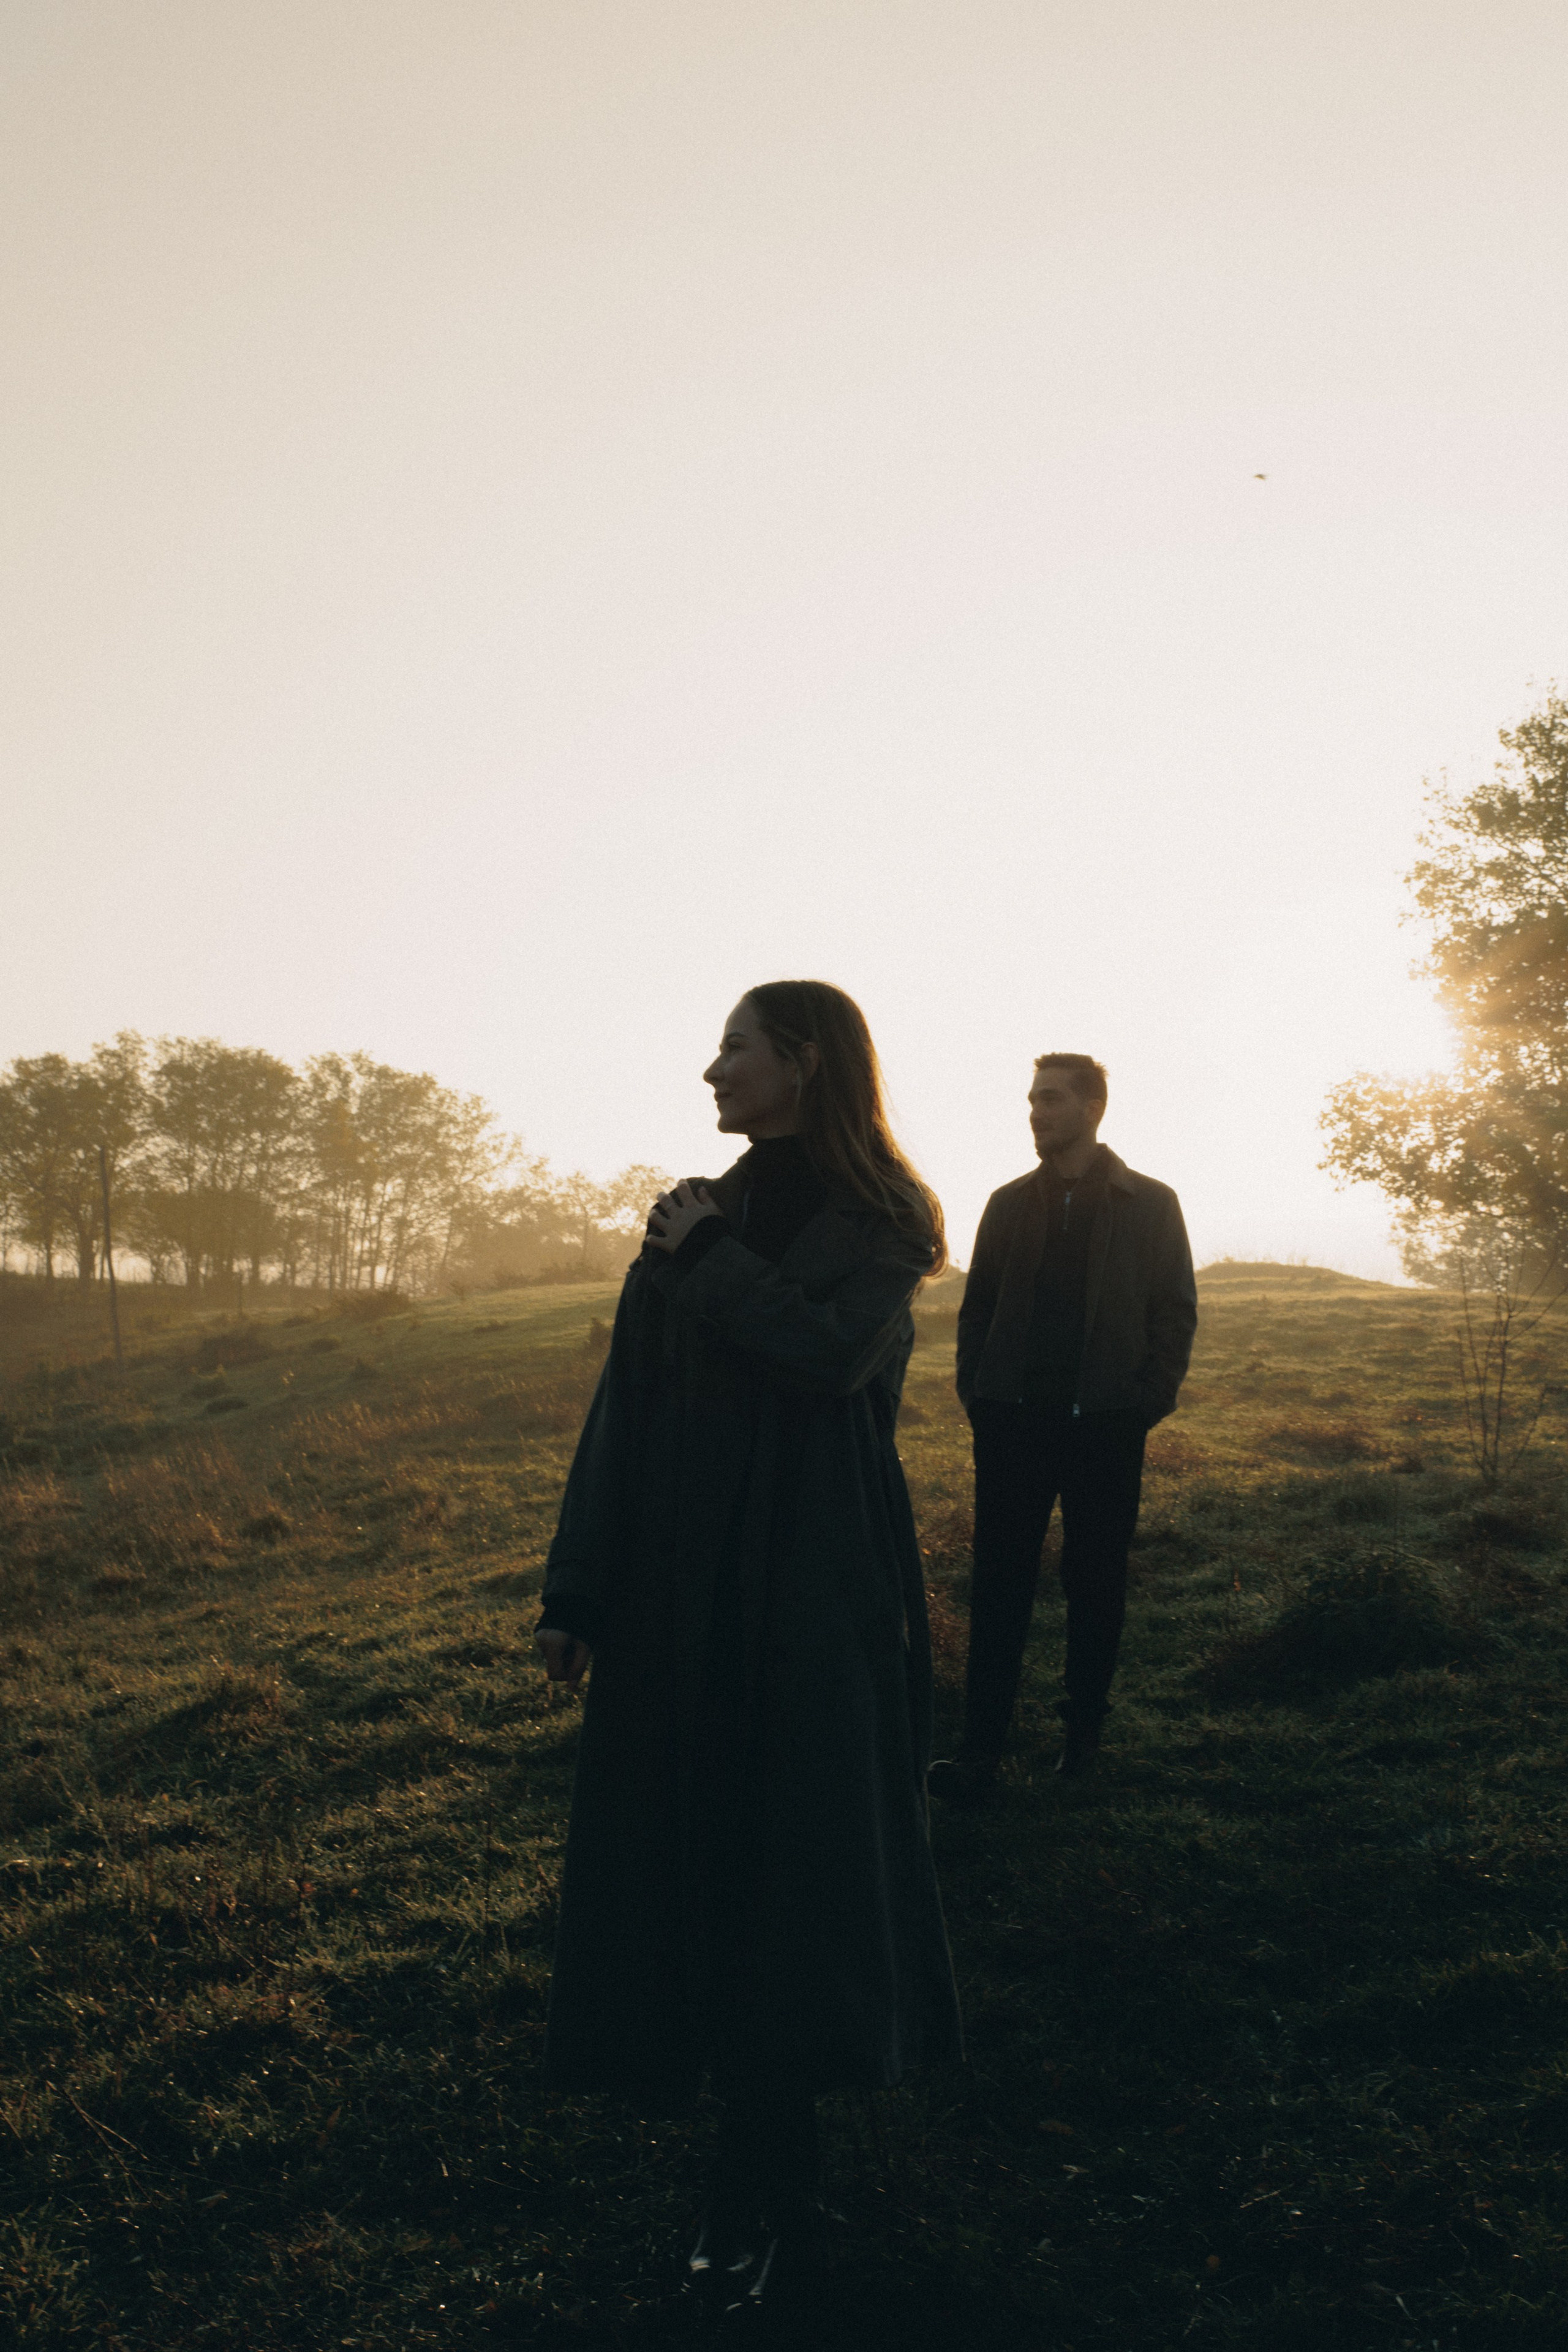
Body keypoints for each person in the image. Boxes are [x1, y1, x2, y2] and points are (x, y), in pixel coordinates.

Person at [535, 981, 962, 2322]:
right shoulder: (689, 1214)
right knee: (697, 1851)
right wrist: (577, 1589)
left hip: (814, 1587)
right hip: (679, 1584)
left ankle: (763, 2177)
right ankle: (731, 2133)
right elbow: (626, 1406)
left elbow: (828, 1354)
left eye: (735, 1047)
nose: (711, 1070)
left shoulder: (886, 1221)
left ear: (805, 1060)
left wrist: (713, 1256)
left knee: (798, 1872)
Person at [928, 1054, 1196, 1804]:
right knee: (999, 1584)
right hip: (1012, 1424)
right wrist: (979, 1394)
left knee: (1096, 1581)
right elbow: (977, 1309)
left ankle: (1081, 1743)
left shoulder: (1150, 1203)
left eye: (1050, 1099)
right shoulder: (1008, 1203)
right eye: (1032, 1100)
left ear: (1092, 1107)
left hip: (1106, 1426)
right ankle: (980, 1751)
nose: (1035, 1113)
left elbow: (1174, 1311)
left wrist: (1143, 1403)